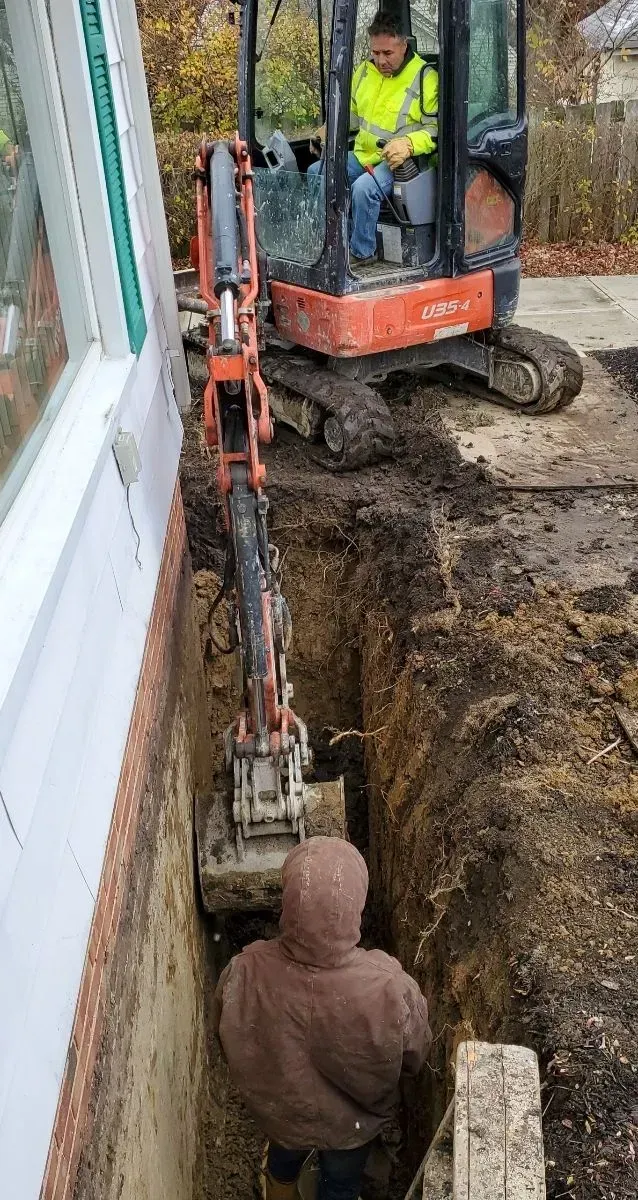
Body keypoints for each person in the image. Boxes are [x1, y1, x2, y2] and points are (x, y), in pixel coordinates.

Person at [213, 836, 432, 1200]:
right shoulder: (390, 988)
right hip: (353, 1127)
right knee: (341, 1184)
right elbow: (414, 1058)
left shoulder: (244, 971)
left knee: (283, 1163)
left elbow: (225, 1037)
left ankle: (278, 1190)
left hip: (281, 1116)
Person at [309, 11, 438, 266]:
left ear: (404, 44)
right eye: (376, 53)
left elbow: (435, 130)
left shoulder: (424, 77)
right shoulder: (365, 73)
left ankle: (362, 252)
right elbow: (352, 116)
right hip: (364, 155)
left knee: (364, 190)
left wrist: (409, 144)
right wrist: (327, 129)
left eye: (387, 53)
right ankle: (335, 242)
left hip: (400, 162)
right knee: (318, 171)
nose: (380, 60)